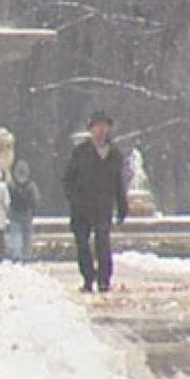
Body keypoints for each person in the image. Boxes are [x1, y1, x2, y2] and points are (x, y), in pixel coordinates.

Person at [61, 111, 129, 293]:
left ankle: (104, 280)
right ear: (91, 129)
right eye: (97, 126)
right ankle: (87, 278)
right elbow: (67, 179)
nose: (101, 130)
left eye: (104, 126)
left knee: (103, 243)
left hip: (103, 206)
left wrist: (122, 206)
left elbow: (118, 183)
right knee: (83, 245)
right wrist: (74, 199)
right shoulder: (80, 152)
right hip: (81, 207)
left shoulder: (115, 154)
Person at [8, 160, 40, 262]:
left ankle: (17, 254)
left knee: (16, 234)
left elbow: (7, 199)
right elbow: (36, 198)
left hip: (14, 212)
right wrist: (34, 209)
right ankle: (27, 254)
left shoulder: (11, 184)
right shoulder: (31, 185)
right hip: (27, 212)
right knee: (27, 235)